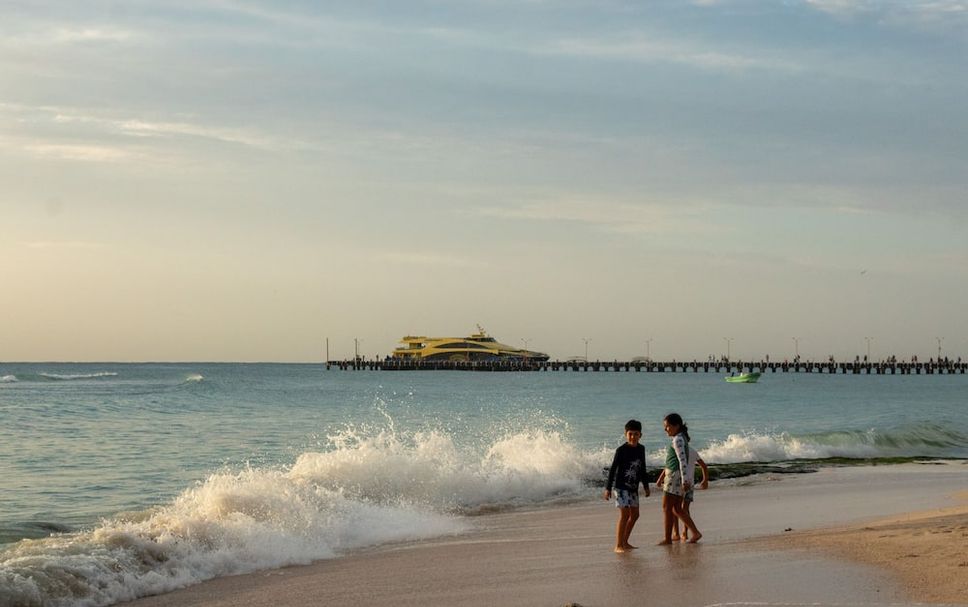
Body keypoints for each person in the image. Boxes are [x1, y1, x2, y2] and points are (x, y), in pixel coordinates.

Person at [603, 419, 650, 553]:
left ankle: (625, 541)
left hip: (633, 488)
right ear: (625, 434)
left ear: (640, 435)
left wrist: (646, 486)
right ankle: (618, 545)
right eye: (630, 434)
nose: (633, 437)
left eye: (636, 434)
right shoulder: (621, 450)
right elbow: (613, 469)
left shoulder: (641, 449)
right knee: (624, 515)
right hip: (621, 487)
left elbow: (642, 469)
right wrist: (608, 488)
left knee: (635, 515)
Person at [659, 413, 702, 544]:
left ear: (676, 426)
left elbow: (682, 460)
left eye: (667, 426)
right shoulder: (682, 438)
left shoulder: (678, 439)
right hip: (678, 476)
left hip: (674, 476)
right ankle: (695, 532)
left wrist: (684, 480)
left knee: (667, 507)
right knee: (677, 508)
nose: (665, 429)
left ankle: (667, 539)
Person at [654, 446, 708, 542]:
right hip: (690, 483)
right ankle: (685, 533)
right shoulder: (692, 450)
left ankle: (676, 533)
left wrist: (660, 479)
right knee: (684, 509)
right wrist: (705, 480)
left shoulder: (678, 450)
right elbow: (703, 466)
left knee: (675, 508)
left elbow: (670, 466)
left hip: (680, 482)